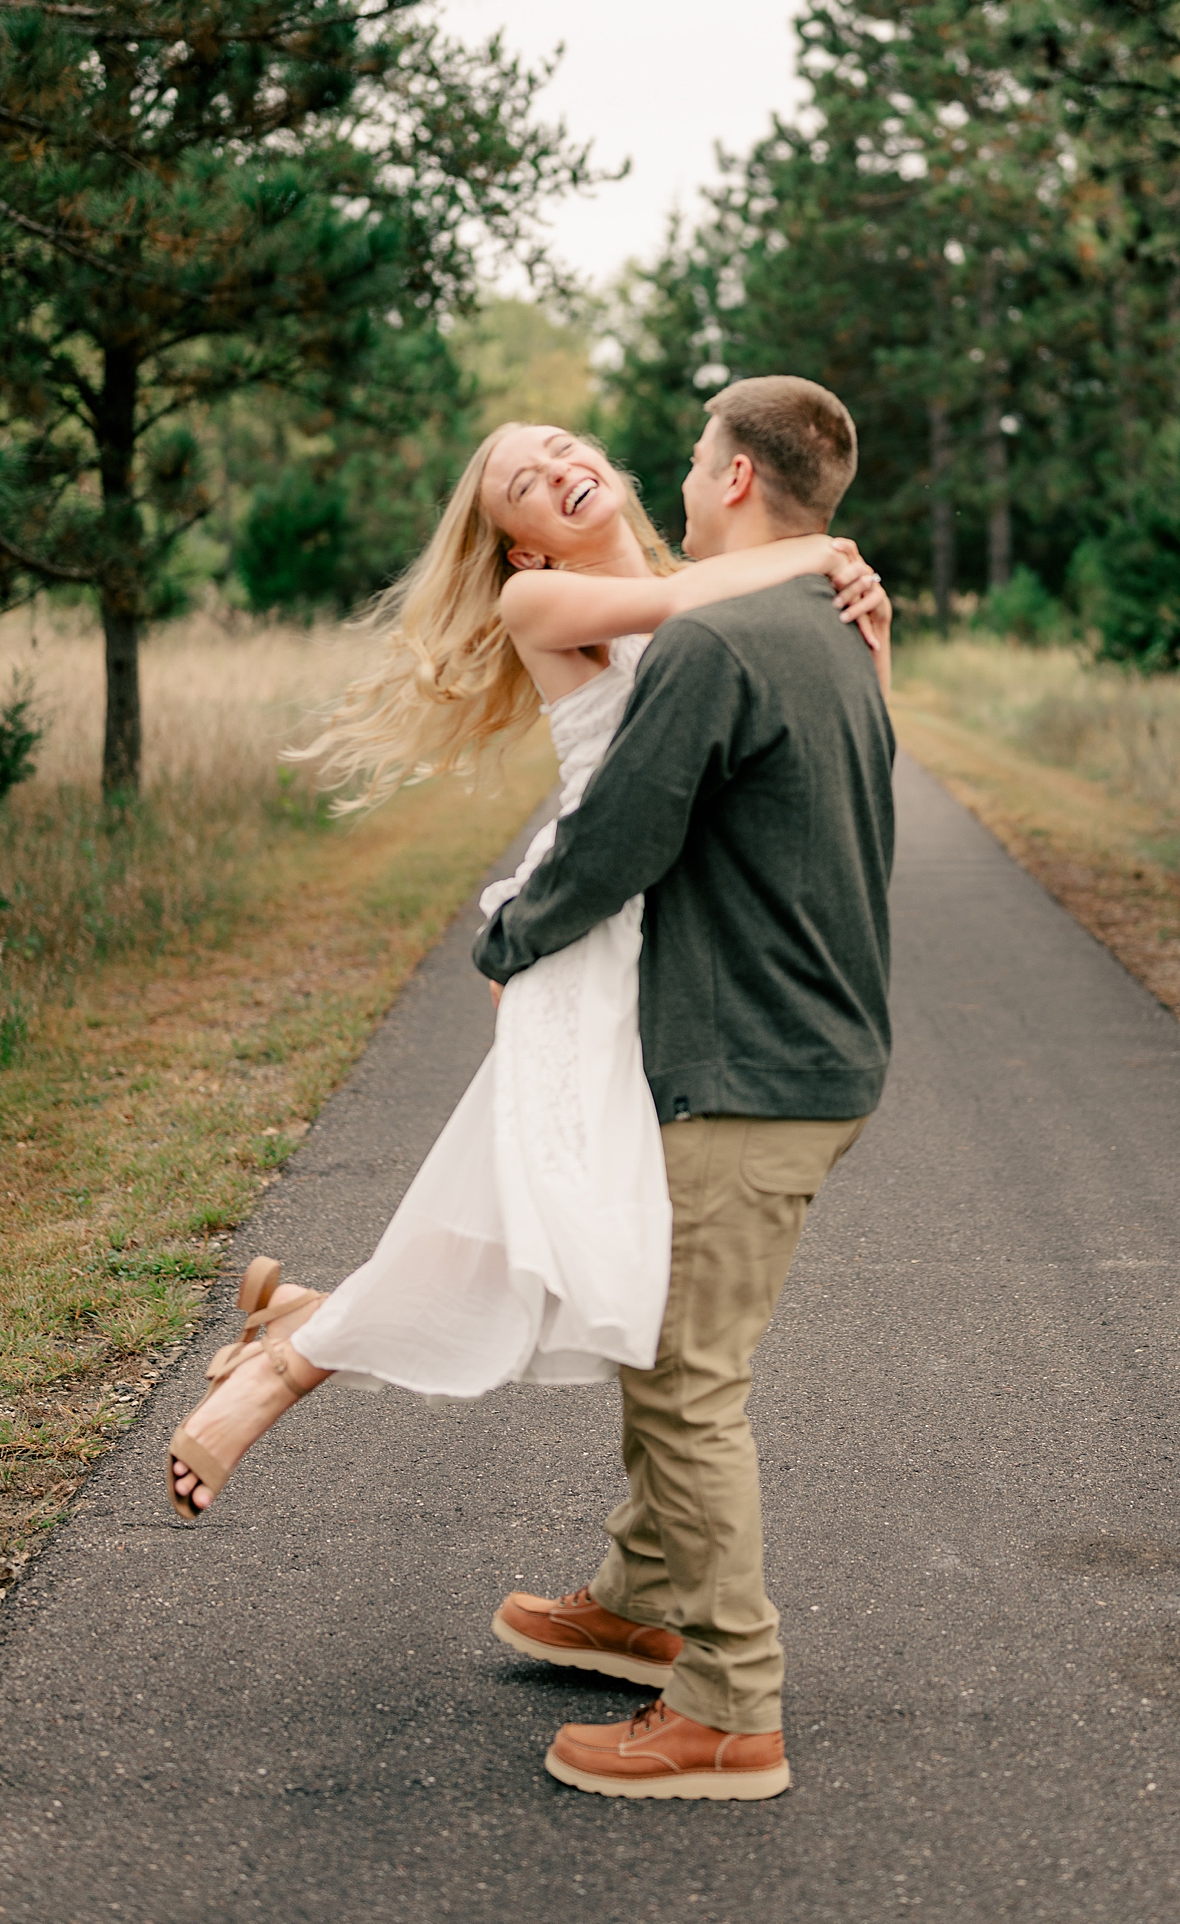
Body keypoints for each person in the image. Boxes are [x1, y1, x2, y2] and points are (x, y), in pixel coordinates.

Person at [163, 409, 887, 1553]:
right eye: (522, 482)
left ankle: (311, 1327)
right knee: (535, 1194)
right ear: (523, 546)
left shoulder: (715, 586)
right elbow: (674, 615)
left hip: (672, 939)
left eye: (563, 448)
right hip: (583, 924)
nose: (556, 468)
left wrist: (856, 624)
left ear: (607, 468)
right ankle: (279, 1374)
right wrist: (811, 557)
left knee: (549, 1200)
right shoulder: (543, 604)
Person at [476, 374, 895, 1803]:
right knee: (670, 1345)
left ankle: (729, 1703)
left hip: (753, 1065)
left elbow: (615, 836)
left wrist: (508, 936)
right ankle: (639, 1596)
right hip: (814, 1050)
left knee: (683, 1380)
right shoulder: (838, 629)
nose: (672, 468)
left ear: (728, 480)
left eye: (690, 454)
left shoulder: (723, 637)